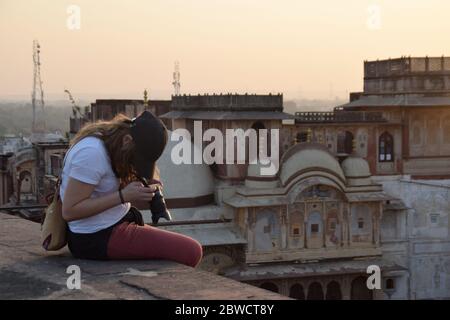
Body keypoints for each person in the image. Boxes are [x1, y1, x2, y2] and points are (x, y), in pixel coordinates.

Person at [60, 111, 202, 268]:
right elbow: (69, 211)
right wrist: (122, 196)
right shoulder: (92, 153)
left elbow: (143, 168)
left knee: (183, 248)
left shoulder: (113, 142)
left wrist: (152, 185)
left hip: (114, 223)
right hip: (95, 236)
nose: (134, 162)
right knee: (191, 251)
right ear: (127, 140)